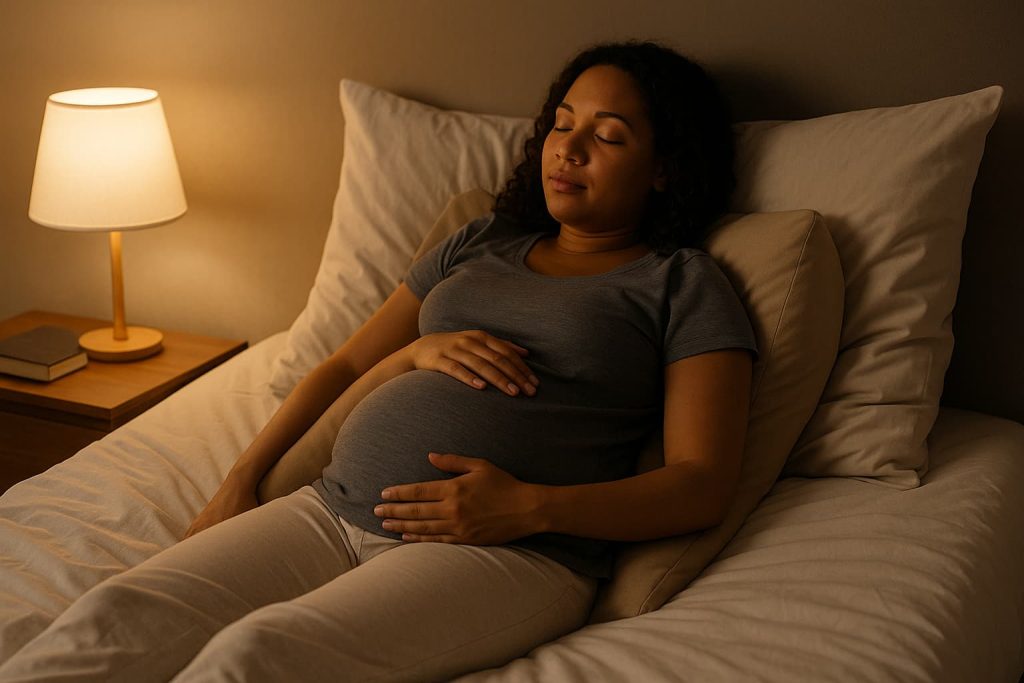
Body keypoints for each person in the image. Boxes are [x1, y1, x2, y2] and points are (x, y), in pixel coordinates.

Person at [0, 40, 757, 682]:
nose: (570, 148)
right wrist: (241, 483)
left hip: (507, 549)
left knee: (255, 655)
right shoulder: (482, 240)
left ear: (664, 168)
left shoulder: (679, 282)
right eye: (563, 123)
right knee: (114, 613)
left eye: (608, 136)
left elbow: (701, 483)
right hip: (330, 508)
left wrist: (531, 506)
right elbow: (341, 367)